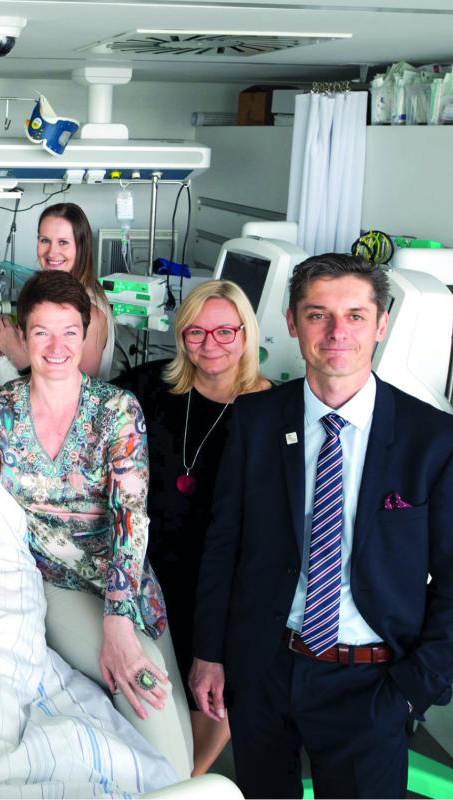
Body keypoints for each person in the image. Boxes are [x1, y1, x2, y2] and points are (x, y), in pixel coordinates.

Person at [190, 254, 453, 798]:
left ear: (381, 325)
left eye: (354, 315)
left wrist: (412, 690)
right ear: (292, 323)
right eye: (317, 314)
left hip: (371, 682)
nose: (336, 332)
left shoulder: (437, 443)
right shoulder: (255, 420)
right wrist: (209, 653)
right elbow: (223, 544)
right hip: (265, 667)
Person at [0, 269, 194, 778]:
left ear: (85, 335)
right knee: (148, 686)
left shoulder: (117, 410)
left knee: (175, 718)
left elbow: (130, 517)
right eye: (42, 332)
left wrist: (119, 620)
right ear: (23, 336)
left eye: (69, 332)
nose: (57, 347)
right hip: (61, 584)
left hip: (129, 581)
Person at [116, 280, 271, 776]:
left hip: (222, 575)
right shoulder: (150, 385)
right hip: (149, 565)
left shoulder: (273, 412)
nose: (210, 344)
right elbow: (81, 409)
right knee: (153, 695)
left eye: (225, 331)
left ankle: (187, 780)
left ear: (246, 333)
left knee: (215, 689)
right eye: (196, 332)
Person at [0, 203, 114, 378]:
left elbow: (81, 390)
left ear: (81, 247)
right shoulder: (49, 291)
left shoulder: (92, 314)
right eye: (45, 240)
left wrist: (15, 352)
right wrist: (5, 328)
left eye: (63, 242)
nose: (52, 252)